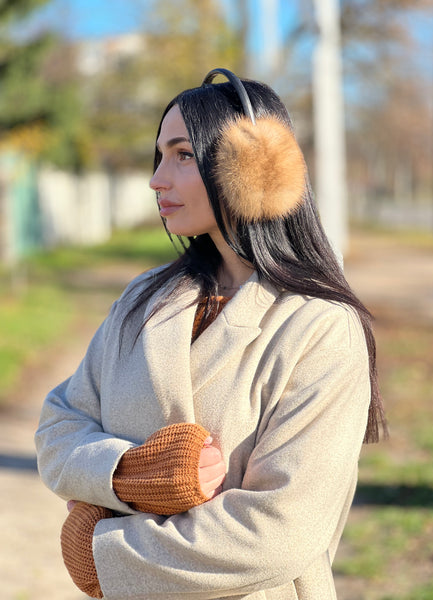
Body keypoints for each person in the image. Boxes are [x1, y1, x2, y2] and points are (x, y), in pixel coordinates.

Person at [35, 68, 387, 600]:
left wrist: (107, 555)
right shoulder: (142, 301)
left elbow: (281, 531)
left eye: (182, 155)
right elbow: (59, 425)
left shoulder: (320, 328)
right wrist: (130, 473)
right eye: (158, 156)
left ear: (252, 167)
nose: (157, 178)